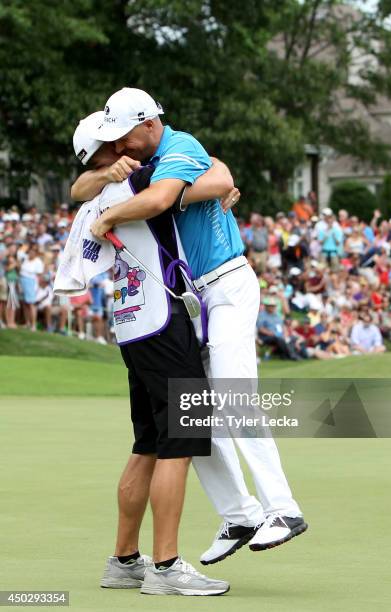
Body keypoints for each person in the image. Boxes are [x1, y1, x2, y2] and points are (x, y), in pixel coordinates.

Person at [72, 88, 306, 565]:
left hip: (228, 283)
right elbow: (80, 188)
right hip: (195, 298)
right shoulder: (147, 159)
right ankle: (240, 513)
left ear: (149, 124)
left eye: (125, 137)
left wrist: (111, 214)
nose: (121, 147)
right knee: (192, 410)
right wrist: (104, 177)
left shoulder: (181, 149)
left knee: (233, 393)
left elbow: (162, 197)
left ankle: (283, 508)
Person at [68, 111, 235, 595]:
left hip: (134, 326)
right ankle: (165, 567)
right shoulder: (135, 179)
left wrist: (102, 172)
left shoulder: (103, 186)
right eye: (111, 143)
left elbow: (80, 185)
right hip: (164, 320)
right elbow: (214, 174)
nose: (124, 145)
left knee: (147, 444)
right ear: (101, 152)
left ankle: (123, 560)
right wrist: (221, 183)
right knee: (180, 441)